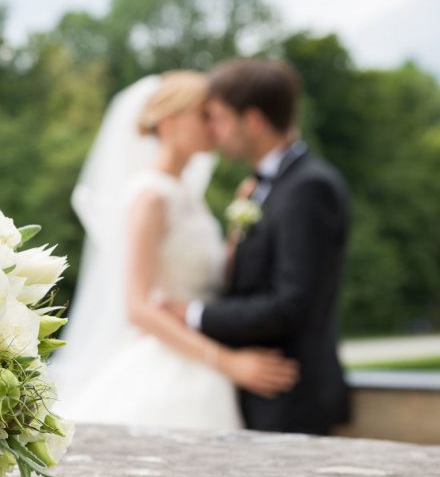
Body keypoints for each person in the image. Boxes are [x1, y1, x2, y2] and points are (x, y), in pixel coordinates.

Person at [52, 70, 299, 431]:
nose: (215, 125)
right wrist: (229, 363)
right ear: (169, 122)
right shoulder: (149, 196)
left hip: (199, 358)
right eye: (204, 115)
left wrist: (238, 235)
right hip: (170, 365)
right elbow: (138, 307)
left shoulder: (186, 194)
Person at [163, 59, 351, 435]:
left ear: (253, 121)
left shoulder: (309, 188)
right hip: (259, 394)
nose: (212, 129)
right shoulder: (267, 186)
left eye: (218, 118)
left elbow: (290, 304)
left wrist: (195, 315)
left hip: (288, 396)